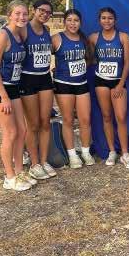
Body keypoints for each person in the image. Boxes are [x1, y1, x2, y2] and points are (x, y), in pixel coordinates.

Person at [0, 0, 33, 190]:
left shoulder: (21, 33)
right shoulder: (3, 35)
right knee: (10, 132)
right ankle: (9, 177)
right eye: (17, 13)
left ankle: (19, 172)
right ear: (9, 15)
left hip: (13, 87)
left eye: (25, 14)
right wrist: (4, 97)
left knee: (22, 130)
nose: (22, 17)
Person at [89, 7, 129, 168]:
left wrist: (121, 84)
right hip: (101, 81)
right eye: (103, 18)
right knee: (107, 116)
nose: (107, 21)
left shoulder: (123, 37)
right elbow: (88, 58)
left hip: (118, 82)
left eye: (110, 18)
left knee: (121, 117)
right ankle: (112, 151)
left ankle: (125, 154)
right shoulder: (94, 38)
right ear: (99, 20)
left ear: (115, 20)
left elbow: (127, 63)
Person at [52, 9, 95, 168]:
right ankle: (72, 155)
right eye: (69, 20)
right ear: (64, 22)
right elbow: (40, 53)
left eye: (76, 20)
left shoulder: (84, 40)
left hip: (81, 83)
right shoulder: (57, 39)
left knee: (85, 119)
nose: (72, 23)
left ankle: (85, 152)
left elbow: (90, 59)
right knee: (68, 120)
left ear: (80, 23)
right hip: (63, 84)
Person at [19, 0, 57, 180]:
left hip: (45, 78)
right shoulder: (23, 29)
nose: (45, 14)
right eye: (42, 10)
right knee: (33, 124)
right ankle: (34, 163)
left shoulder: (47, 30)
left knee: (45, 122)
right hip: (27, 79)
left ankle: (43, 161)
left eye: (48, 12)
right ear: (34, 10)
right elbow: (8, 43)